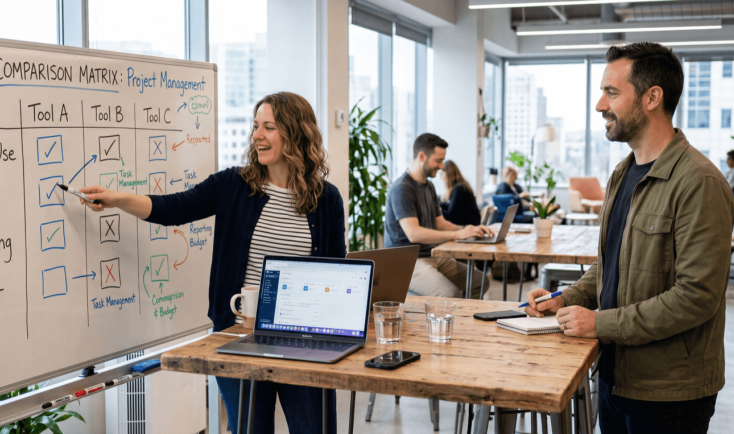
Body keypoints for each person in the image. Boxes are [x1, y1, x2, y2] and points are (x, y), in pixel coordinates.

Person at [78, 92, 342, 433]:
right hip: (238, 338)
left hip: (303, 339)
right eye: (255, 126)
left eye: (269, 127)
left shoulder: (326, 198)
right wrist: (117, 198)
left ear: (296, 133)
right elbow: (175, 208)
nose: (257, 135)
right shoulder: (234, 185)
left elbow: (335, 269)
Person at [524, 42, 734, 434]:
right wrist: (563, 299)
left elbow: (696, 297)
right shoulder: (623, 174)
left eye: (612, 92)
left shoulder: (699, 183)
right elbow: (610, 267)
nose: (600, 105)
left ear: (653, 97)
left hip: (670, 394)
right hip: (615, 377)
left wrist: (599, 323)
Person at [384, 133, 494, 298]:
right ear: (422, 156)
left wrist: (468, 230)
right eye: (438, 160)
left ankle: (463, 321)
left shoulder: (429, 186)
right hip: (405, 262)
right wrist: (458, 234)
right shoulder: (403, 188)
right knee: (450, 294)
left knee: (479, 281)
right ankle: (455, 321)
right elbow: (414, 234)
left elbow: (440, 223)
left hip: (432, 255)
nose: (442, 166)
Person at [439, 160, 481, 226]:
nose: (441, 178)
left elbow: (451, 215)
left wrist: (434, 212)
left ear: (448, 173)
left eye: (441, 174)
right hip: (469, 224)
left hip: (468, 226)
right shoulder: (461, 186)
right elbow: (453, 207)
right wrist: (439, 204)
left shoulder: (459, 188)